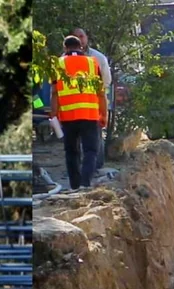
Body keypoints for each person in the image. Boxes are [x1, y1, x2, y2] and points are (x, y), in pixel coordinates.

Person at [50, 35, 108, 190]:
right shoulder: (92, 62)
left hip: (68, 116)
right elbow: (101, 92)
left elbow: (54, 92)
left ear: (65, 48)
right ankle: (85, 184)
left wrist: (54, 114)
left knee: (71, 152)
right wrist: (104, 114)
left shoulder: (57, 64)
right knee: (90, 151)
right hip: (90, 114)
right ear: (81, 47)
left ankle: (74, 186)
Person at [71, 27, 111, 170]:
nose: (79, 40)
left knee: (95, 138)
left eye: (81, 36)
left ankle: (97, 167)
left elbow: (106, 81)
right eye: (76, 37)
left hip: (93, 105)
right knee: (76, 139)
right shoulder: (63, 59)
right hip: (72, 107)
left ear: (87, 37)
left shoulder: (98, 57)